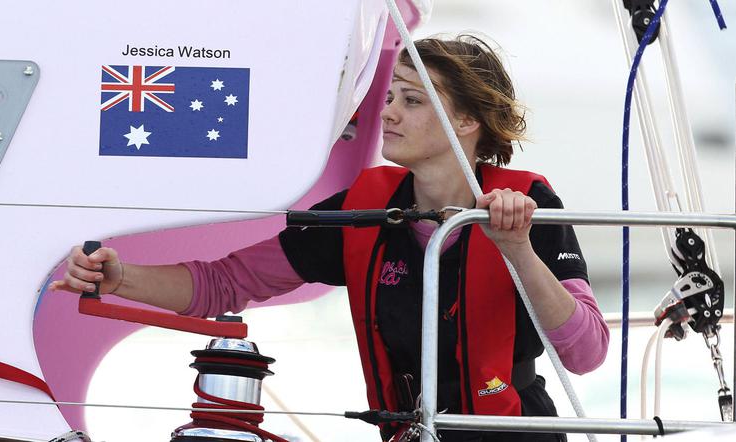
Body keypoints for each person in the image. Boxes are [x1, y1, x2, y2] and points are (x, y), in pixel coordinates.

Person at [51, 35, 609, 442]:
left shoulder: (528, 205)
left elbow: (585, 353)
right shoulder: (360, 209)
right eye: (390, 97)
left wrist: (516, 247)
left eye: (412, 101)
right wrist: (120, 278)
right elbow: (224, 284)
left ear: (467, 120)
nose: (387, 113)